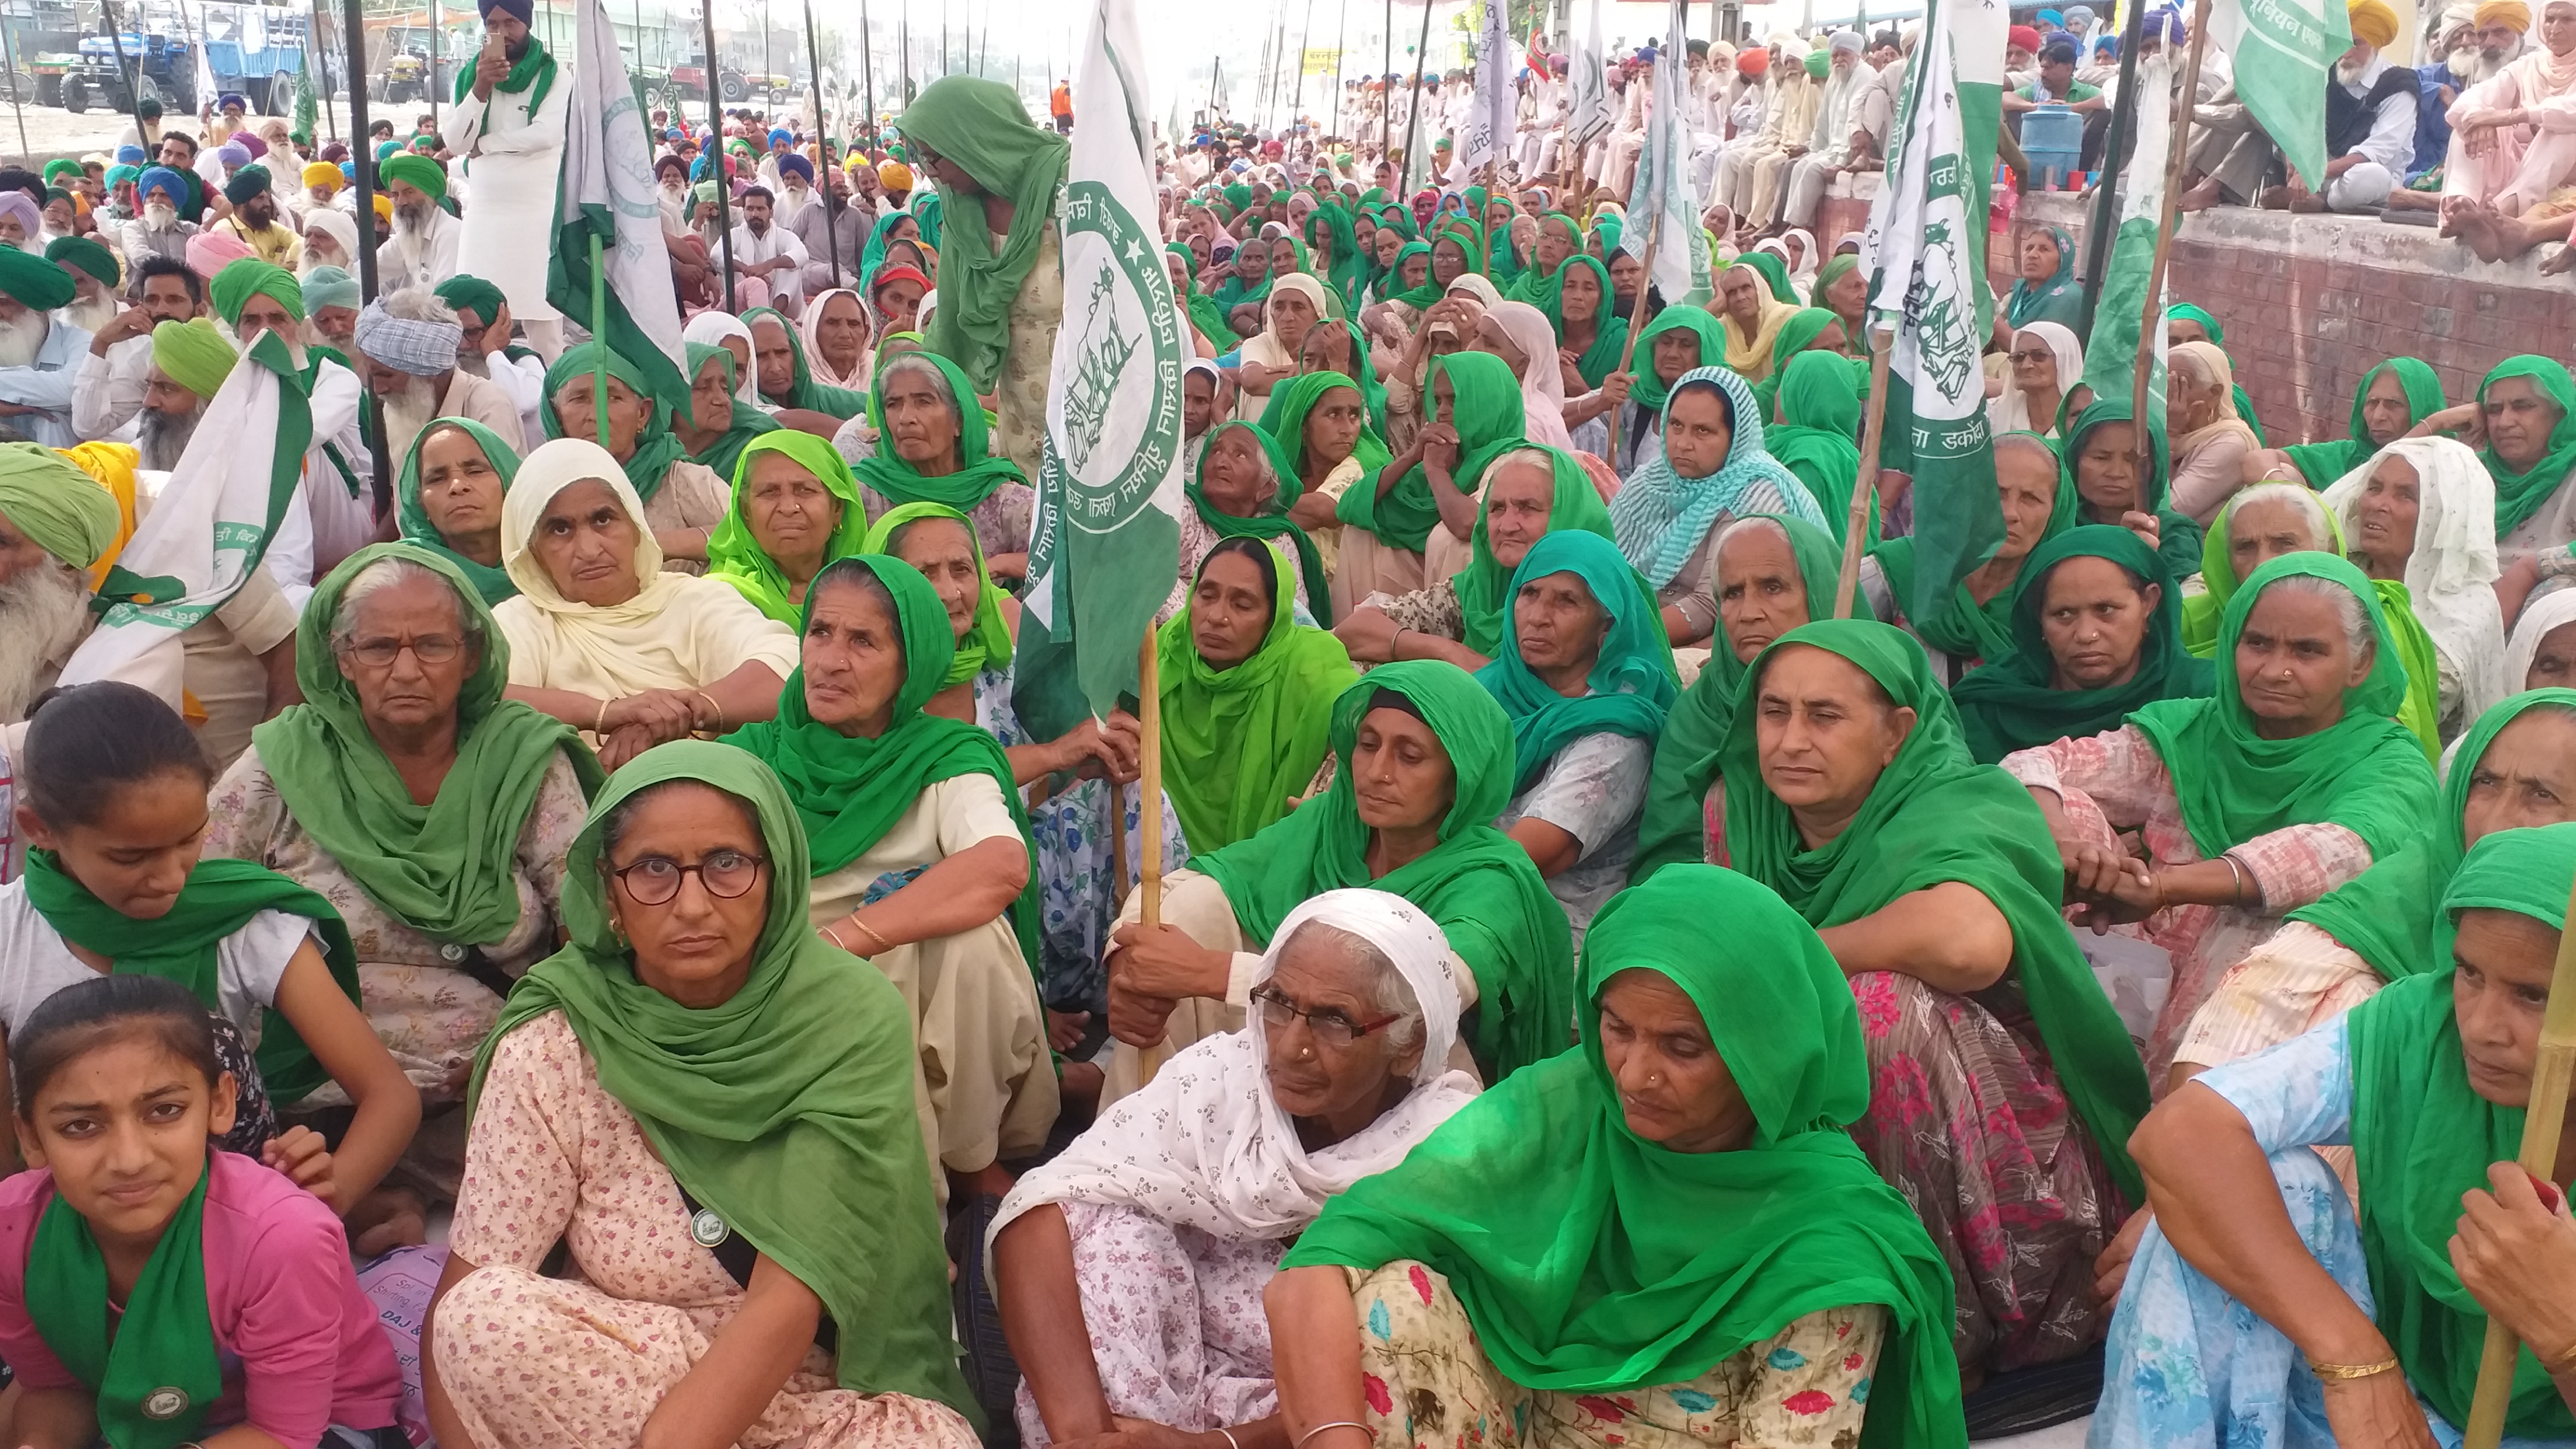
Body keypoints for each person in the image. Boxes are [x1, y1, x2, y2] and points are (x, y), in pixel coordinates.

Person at [1260, 864, 1966, 1449]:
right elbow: (1324, 1257)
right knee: (1393, 1296)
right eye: (1617, 1028)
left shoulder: (1828, 1245)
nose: (1632, 1075)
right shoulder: (1570, 1106)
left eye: (1682, 1047)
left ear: (1765, 1056)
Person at [422, 741, 982, 1449]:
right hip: (621, 1391)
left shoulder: (843, 1020)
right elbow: (471, 1288)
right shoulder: (557, 1043)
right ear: (610, 892)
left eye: (727, 865)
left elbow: (790, 1298)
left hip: (814, 1397)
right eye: (653, 870)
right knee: (483, 1319)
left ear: (776, 875)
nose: (691, 905)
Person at [1714, 619, 2153, 1375]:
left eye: (1825, 716)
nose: (1789, 741)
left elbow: (1967, 942)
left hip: (2002, 1135)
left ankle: (1940, 1325)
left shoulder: (1968, 801)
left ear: (1896, 733)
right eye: (1773, 712)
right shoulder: (1740, 812)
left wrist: (1784, 957)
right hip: (1812, 1110)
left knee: (1877, 1008)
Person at [2092, 822, 2576, 1449]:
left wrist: (2563, 1331)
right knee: (2262, 1181)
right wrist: (2355, 1360)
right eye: (2470, 973)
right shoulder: (2420, 1027)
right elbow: (2182, 1132)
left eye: (2533, 995)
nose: (2481, 1026)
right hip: (2404, 1408)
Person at [203, 545, 600, 1247]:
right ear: (343, 657)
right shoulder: (284, 761)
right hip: (312, 1112)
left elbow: (593, 930)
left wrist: (524, 1039)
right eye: (380, 646)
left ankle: (399, 1203)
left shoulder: (524, 760)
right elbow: (194, 896)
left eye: (433, 645)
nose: (408, 670)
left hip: (490, 1098)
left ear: (472, 656)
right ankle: (369, 1199)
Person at [991, 889, 1478, 1448]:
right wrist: (1090, 1437)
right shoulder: (1223, 1082)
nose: (1290, 1047)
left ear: (1408, 1043)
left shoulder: (1446, 1160)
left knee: (1402, 1322)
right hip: (1151, 1387)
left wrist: (1208, 1446)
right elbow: (1041, 1212)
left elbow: (1417, 1379)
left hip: (1308, 1420)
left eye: (1334, 1021)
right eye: (1278, 1003)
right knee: (1104, 1236)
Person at [2003, 553, 2440, 1087]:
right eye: (2257, 643)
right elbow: (2033, 763)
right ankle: (2076, 1072)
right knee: (2052, 804)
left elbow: (2334, 852)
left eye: (2307, 651)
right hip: (2141, 950)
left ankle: (2172, 1115)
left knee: (2253, 918)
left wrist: (2165, 886)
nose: (2275, 669)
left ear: (2361, 661)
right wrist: (2064, 840)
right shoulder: (2193, 731)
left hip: (2256, 994)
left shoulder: (2389, 760)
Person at [0, 682, 422, 1214]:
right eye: (131, 858)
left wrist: (319, 1202)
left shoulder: (241, 922)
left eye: (188, 840)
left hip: (224, 1218)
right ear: (40, 830)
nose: (171, 877)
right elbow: (9, 1159)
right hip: (64, 1217)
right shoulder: (8, 937)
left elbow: (390, 1098)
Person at [722, 555, 1055, 1196]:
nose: (829, 661)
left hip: (887, 986)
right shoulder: (753, 757)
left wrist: (848, 940)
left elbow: (1000, 864)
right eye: (819, 632)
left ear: (914, 664)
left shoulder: (945, 758)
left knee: (966, 942)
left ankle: (965, 1154)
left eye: (863, 641)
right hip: (774, 986)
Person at [1101, 661, 1575, 1101]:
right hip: (1292, 1044)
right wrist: (1130, 964)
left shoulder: (1492, 881)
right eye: (1368, 746)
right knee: (1195, 911)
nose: (1377, 773)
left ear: (1459, 780)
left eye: (1409, 756)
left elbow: (1421, 993)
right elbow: (1184, 887)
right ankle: (1130, 1160)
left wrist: (1212, 973)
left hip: (1399, 1083)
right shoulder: (1335, 828)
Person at [0, 974, 406, 1449]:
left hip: (311, 1427)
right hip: (130, 1413)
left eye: (165, 1111)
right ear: (30, 1139)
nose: (130, 1160)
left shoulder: (280, 1239)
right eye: (81, 1125)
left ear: (220, 1103)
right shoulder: (15, 1234)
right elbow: (58, 1388)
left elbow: (284, 1432)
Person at [865, 501, 1189, 1069]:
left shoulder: (1000, 669)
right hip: (922, 859)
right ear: (885, 589)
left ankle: (1135, 985)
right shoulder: (868, 683)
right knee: (986, 852)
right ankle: (1031, 1013)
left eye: (962, 570)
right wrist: (1053, 754)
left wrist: (1092, 757)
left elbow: (1048, 771)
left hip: (1019, 856)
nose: (948, 593)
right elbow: (929, 780)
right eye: (923, 575)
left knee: (1128, 796)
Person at [2170, 690, 2576, 1093]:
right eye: (2484, 783)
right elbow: (2197, 1096)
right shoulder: (2374, 935)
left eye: (2541, 795)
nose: (2495, 822)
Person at [492, 437, 798, 769]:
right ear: (532, 549)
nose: (590, 549)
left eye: (603, 519)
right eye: (560, 529)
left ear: (637, 526)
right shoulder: (522, 621)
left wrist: (681, 714)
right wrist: (606, 715)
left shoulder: (693, 600)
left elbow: (787, 666)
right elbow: (486, 703)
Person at [1477, 531, 1673, 938]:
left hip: (1549, 931)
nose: (1538, 617)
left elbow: (1529, 855)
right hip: (1460, 895)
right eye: (1529, 593)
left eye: (1567, 601)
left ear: (1607, 627)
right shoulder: (1490, 692)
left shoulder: (1618, 732)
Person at [1633, 512, 1842, 880]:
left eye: (1773, 587)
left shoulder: (1886, 695)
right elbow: (1670, 861)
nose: (1748, 613)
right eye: (1732, 593)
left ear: (1821, 590)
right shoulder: (1701, 715)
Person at [901, 75, 1070, 482]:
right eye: (923, 160)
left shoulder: (1069, 183)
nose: (932, 174)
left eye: (936, 158)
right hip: (1022, 418)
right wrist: (916, 402)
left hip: (1089, 409)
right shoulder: (962, 210)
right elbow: (951, 317)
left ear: (974, 140)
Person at [1334, 445, 1618, 676]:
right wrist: (1449, 652)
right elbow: (1354, 631)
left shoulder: (1606, 599)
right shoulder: (1484, 587)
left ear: (1567, 513)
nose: (1507, 525)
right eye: (1496, 508)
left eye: (1527, 508)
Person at [1158, 538, 1358, 854]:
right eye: (1206, 595)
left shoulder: (1312, 670)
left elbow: (1357, 741)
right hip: (1160, 858)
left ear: (1274, 615)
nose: (1216, 616)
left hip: (1275, 860)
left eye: (1242, 605)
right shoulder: (1170, 651)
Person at [1953, 525, 2215, 765]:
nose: (2086, 634)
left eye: (2106, 610)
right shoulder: (1990, 706)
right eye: (2063, 614)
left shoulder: (2203, 699)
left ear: (2149, 603)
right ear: (2038, 617)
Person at [1609, 366, 1827, 650]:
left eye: (1703, 431)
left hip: (1711, 644)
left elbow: (1708, 606)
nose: (1683, 443)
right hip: (1640, 624)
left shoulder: (1755, 493)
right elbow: (1608, 558)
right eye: (1675, 425)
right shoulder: (1653, 480)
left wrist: (1619, 640)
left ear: (1735, 438)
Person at [2323, 436, 2508, 740]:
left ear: (2444, 516)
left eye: (2405, 496)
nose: (2378, 505)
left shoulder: (2464, 606)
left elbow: (2413, 708)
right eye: (2374, 488)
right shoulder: (2342, 569)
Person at [1337, 352, 1525, 621]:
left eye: (1454, 399)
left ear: (1487, 401)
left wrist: (1436, 471)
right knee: (1360, 532)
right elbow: (1350, 506)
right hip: (1431, 576)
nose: (1442, 412)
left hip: (1488, 594)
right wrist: (1414, 454)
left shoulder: (1512, 460)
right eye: (1438, 401)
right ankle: (1356, 637)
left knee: (1451, 541)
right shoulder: (1451, 454)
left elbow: (1468, 524)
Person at [439, 0, 570, 359]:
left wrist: (489, 143)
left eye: (510, 22)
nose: (501, 32)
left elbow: (547, 134)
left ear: (526, 22)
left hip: (535, 216)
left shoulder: (554, 74)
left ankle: (553, 401)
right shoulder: (470, 77)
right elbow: (455, 142)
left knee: (544, 329)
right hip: (485, 217)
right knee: (474, 320)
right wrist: (480, 88)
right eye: (493, 23)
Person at [539, 343, 730, 571]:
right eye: (579, 399)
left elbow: (750, 534)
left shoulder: (679, 481)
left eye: (614, 398)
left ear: (642, 414)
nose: (597, 415)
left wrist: (652, 543)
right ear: (556, 415)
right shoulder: (541, 491)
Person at [846, 350, 1034, 580]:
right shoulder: (863, 495)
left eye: (924, 402)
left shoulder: (1005, 500)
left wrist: (995, 566)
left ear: (959, 421)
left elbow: (1063, 564)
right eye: (893, 404)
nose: (906, 418)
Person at [704, 430, 868, 628]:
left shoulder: (873, 593)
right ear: (746, 511)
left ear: (837, 508)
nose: (788, 508)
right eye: (769, 492)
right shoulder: (720, 598)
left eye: (805, 490)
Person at [1178, 419, 1333, 621]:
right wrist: (1208, 621)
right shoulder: (1184, 509)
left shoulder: (1278, 540)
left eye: (1240, 455)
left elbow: (1293, 616)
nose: (1221, 462)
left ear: (1266, 487)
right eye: (1216, 451)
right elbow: (1151, 581)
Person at [351, 291, 528, 465]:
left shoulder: (489, 406)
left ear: (429, 370)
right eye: (373, 375)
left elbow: (493, 489)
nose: (379, 389)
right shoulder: (398, 407)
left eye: (386, 375)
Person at [2061, 398, 2208, 583]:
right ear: (2074, 461)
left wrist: (2139, 557)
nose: (2115, 473)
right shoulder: (2058, 526)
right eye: (2100, 458)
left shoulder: (2173, 535)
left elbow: (2178, 603)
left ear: (2156, 468)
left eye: (2133, 461)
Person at [2258, 356, 2446, 488]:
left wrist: (2435, 423)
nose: (2378, 416)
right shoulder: (2347, 456)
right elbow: (2257, 460)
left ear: (2422, 408)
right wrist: (2286, 491)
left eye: (2394, 404)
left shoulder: (2445, 469)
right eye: (2372, 403)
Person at [0, 245, 88, 449]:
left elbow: (72, 390)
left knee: (52, 418)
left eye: (4, 303)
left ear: (37, 306)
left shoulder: (79, 341)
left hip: (56, 454)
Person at [2167, 340, 2262, 525]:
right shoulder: (2157, 426)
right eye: (2165, 383)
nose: (2168, 394)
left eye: (2179, 385)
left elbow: (2168, 509)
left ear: (2215, 393)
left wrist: (2170, 433)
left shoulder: (2231, 443)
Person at [1987, 321, 2087, 439]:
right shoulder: (1992, 414)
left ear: (2065, 361)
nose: (2026, 365)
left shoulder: (2088, 417)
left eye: (2039, 355)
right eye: (2019, 357)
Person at [378, 153, 461, 293]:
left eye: (409, 192)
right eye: (396, 195)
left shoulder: (449, 233)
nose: (401, 202)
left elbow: (446, 298)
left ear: (430, 194)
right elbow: (372, 268)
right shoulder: (410, 234)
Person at [1712, 258, 1801, 382]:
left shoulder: (1787, 319)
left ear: (1760, 289)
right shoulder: (1719, 331)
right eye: (1731, 292)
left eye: (1746, 288)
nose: (1740, 297)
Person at [2002, 226, 2085, 333]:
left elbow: (2032, 349)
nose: (2032, 255)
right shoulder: (2020, 290)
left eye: (2044, 249)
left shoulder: (2068, 298)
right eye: (2029, 248)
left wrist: (1993, 320)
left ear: (2063, 261)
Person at [800, 286, 873, 391]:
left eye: (853, 324)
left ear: (866, 332)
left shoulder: (880, 373)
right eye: (832, 323)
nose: (845, 334)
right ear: (813, 329)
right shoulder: (797, 379)